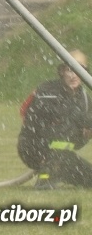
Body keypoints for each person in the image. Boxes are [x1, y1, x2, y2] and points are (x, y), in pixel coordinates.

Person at [18, 49, 92, 189]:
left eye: (78, 71)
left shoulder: (85, 100)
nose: (73, 76)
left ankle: (55, 172)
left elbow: (75, 143)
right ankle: (45, 180)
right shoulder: (47, 92)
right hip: (34, 149)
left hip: (63, 157)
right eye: (70, 70)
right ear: (62, 72)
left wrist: (86, 135)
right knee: (55, 162)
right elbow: (33, 120)